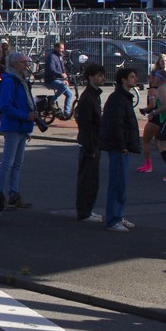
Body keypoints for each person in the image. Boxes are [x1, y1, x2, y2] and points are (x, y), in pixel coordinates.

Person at [99, 68, 141, 232]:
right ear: (123, 79)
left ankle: (118, 215)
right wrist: (122, 145)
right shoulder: (118, 98)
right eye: (132, 77)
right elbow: (116, 124)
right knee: (117, 183)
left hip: (123, 145)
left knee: (121, 184)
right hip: (118, 147)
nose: (135, 79)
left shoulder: (124, 97)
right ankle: (113, 219)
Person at [0, 51, 35, 209]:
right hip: (13, 126)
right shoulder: (10, 81)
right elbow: (5, 105)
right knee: (8, 163)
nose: (26, 65)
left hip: (22, 126)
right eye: (23, 62)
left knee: (17, 164)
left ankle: (13, 194)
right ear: (15, 64)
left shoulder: (21, 80)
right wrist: (25, 116)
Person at [73, 63, 106, 222]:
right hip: (90, 143)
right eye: (99, 75)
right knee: (88, 179)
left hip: (94, 142)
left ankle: (87, 210)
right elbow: (85, 124)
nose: (102, 78)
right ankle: (84, 212)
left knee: (92, 179)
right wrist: (90, 146)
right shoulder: (88, 97)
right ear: (91, 77)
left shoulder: (93, 96)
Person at [43, 41, 74, 117]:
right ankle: (52, 101)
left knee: (69, 94)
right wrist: (60, 75)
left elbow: (63, 69)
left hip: (59, 79)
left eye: (63, 48)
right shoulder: (52, 57)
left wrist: (65, 79)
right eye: (61, 48)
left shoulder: (60, 57)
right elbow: (51, 69)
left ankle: (66, 112)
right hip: (51, 80)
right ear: (56, 48)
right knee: (63, 87)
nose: (62, 50)